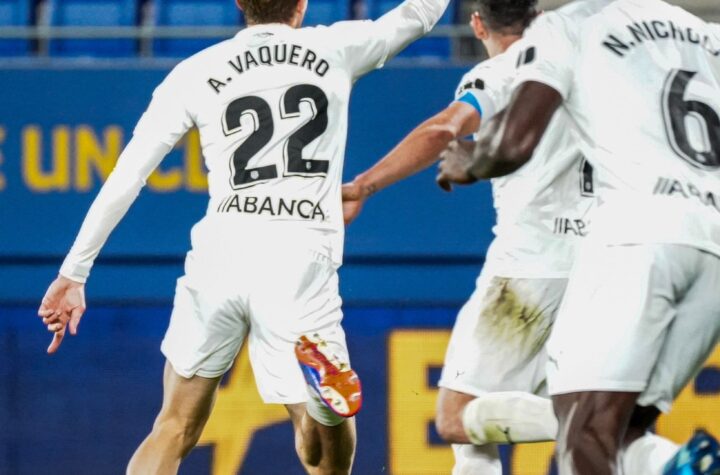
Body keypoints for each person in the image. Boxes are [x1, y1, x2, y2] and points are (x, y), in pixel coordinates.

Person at [36, 0, 450, 473]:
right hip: (298, 256)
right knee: (323, 458)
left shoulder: (194, 71)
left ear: (239, 4)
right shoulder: (336, 46)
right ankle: (321, 401)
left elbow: (126, 177)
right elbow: (419, 14)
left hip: (222, 252)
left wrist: (74, 271)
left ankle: (319, 399)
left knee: (173, 427)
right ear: (302, 3)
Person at [437, 0, 720, 473]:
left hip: (628, 242)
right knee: (623, 428)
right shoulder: (705, 33)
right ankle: (674, 463)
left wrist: (469, 162)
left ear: (479, 22)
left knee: (583, 432)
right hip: (711, 248)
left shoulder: (565, 28)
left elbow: (511, 144)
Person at [342, 0, 611, 472]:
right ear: (536, 17)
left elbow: (445, 128)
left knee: (456, 416)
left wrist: (364, 184)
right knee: (486, 434)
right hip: (602, 271)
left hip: (527, 274)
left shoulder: (508, 72)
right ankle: (623, 437)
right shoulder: (592, 72)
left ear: (477, 23)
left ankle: (622, 429)